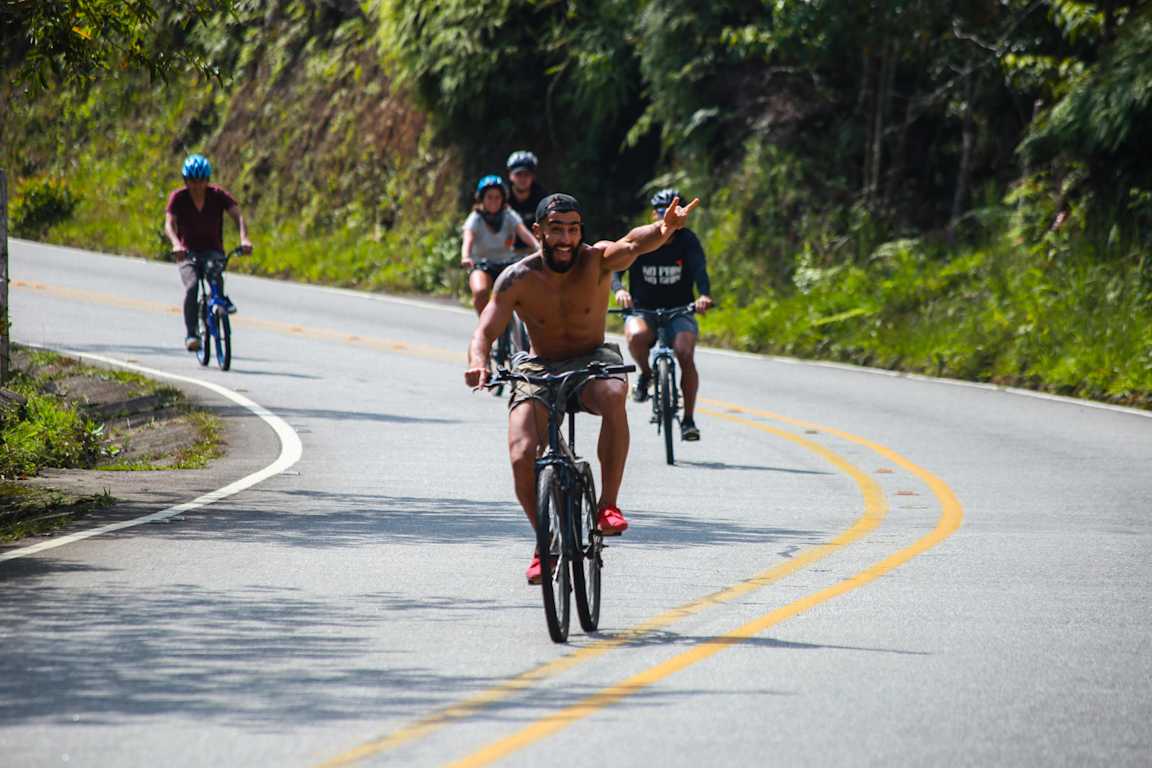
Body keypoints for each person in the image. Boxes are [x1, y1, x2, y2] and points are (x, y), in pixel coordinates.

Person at [465, 192, 699, 584]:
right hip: (539, 367)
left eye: (573, 230)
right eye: (556, 230)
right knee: (522, 453)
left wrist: (663, 228)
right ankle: (545, 544)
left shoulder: (596, 261)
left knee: (612, 394)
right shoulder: (517, 278)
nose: (566, 239)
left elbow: (633, 243)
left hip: (592, 359)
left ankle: (608, 505)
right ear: (538, 231)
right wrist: (477, 361)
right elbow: (485, 329)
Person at [612, 188, 713, 441]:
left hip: (680, 309)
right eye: (662, 211)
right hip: (642, 308)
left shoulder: (688, 240)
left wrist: (703, 295)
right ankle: (647, 374)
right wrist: (620, 290)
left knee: (685, 353)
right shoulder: (641, 238)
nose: (668, 217)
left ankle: (688, 420)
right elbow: (614, 266)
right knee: (636, 337)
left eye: (675, 212)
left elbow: (700, 270)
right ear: (654, 214)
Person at [164, 154, 252, 352]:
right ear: (186, 181)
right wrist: (176, 244)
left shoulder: (217, 195)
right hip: (187, 253)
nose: (197, 186)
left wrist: (244, 238)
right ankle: (192, 333)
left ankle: (219, 303)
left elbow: (238, 216)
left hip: (213, 250)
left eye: (201, 181)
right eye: (192, 181)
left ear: (207, 180)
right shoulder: (178, 198)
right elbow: (169, 224)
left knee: (215, 277)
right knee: (192, 286)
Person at [460, 174, 540, 316]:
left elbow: (525, 234)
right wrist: (466, 257)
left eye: (497, 197)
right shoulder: (475, 218)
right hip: (482, 265)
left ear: (503, 199)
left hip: (508, 264)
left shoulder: (509, 215)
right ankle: (485, 327)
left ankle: (522, 329)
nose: (493, 201)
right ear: (482, 199)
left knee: (528, 289)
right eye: (489, 197)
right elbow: (468, 239)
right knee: (480, 292)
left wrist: (539, 248)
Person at [505, 150, 548, 256]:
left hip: (535, 251)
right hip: (505, 251)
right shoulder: (501, 197)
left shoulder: (542, 198)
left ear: (533, 176)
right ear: (510, 175)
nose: (523, 179)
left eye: (527, 174)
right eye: (518, 174)